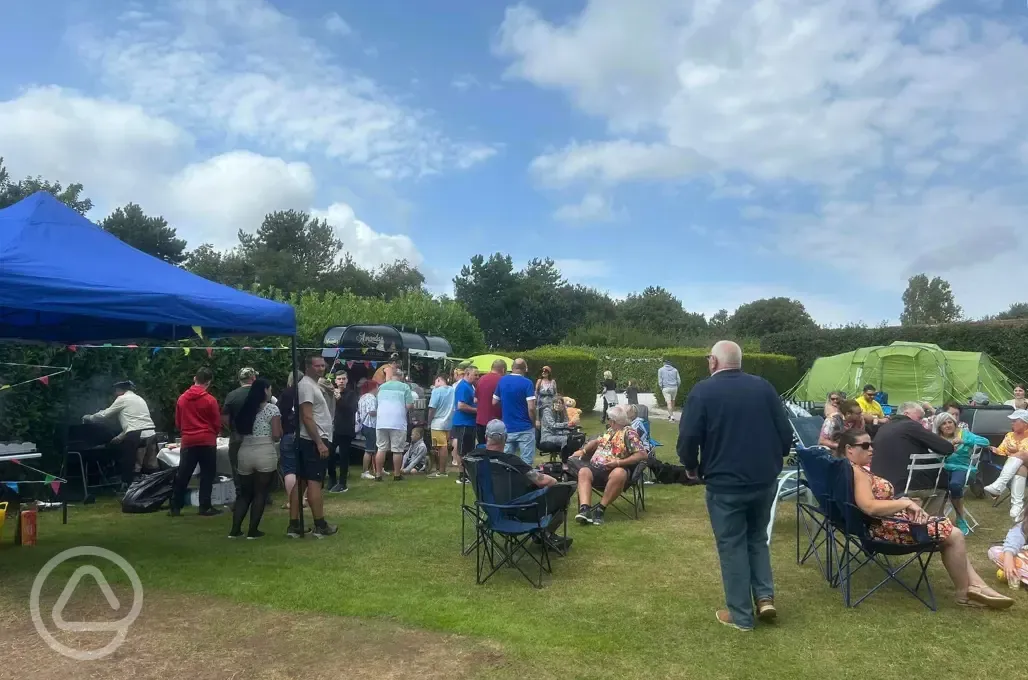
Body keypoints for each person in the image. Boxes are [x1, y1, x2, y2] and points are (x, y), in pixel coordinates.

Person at [678, 341, 792, 630]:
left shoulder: (702, 391)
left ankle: (741, 616)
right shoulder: (764, 387)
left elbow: (688, 438)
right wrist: (773, 460)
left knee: (732, 546)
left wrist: (691, 467)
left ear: (714, 362)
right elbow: (784, 433)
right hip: (763, 479)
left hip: (725, 484)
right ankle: (765, 598)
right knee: (756, 539)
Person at [836, 428, 1013, 609]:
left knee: (949, 534)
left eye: (871, 445)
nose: (871, 449)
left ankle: (976, 586)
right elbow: (869, 506)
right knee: (953, 535)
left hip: (890, 525)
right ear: (849, 449)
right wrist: (904, 504)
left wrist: (903, 502)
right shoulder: (856, 472)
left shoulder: (855, 469)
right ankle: (966, 592)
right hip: (886, 531)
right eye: (865, 446)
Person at [471, 420, 571, 551]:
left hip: (488, 507)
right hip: (518, 511)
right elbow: (543, 481)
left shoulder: (472, 457)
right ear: (505, 438)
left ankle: (543, 535)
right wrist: (555, 481)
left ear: (486, 436)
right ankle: (544, 534)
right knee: (563, 491)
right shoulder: (512, 461)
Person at [570, 405, 647, 527]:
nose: (608, 421)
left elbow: (642, 455)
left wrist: (618, 463)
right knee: (583, 471)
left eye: (609, 419)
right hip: (596, 468)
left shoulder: (629, 433)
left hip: (615, 470)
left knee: (619, 473)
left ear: (613, 421)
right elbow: (596, 442)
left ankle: (600, 509)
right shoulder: (610, 431)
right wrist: (583, 451)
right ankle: (585, 510)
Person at [869, 402, 954, 507]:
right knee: (943, 482)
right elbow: (947, 448)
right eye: (919, 417)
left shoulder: (883, 428)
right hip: (906, 485)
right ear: (906, 414)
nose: (921, 421)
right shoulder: (910, 425)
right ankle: (930, 520)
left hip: (881, 484)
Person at [291, 355, 337, 538]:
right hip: (312, 440)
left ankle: (294, 524)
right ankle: (320, 524)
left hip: (310, 439)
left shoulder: (312, 385)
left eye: (322, 366)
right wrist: (319, 442)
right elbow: (307, 416)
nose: (321, 369)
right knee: (314, 481)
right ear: (308, 366)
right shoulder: (307, 386)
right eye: (317, 366)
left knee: (301, 482)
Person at [230, 378, 281, 539]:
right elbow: (276, 434)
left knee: (244, 494)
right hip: (264, 451)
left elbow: (238, 433)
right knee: (260, 493)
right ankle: (253, 530)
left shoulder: (245, 410)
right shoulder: (271, 409)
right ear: (265, 390)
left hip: (245, 451)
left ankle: (235, 530)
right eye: (270, 389)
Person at [83, 380, 156, 492]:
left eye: (116, 391)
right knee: (150, 465)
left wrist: (90, 417)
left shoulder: (122, 399)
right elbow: (135, 422)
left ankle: (129, 489)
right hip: (151, 433)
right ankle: (152, 488)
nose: (115, 394)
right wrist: (119, 437)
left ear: (120, 390)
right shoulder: (139, 399)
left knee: (130, 463)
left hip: (137, 434)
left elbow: (105, 414)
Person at [170, 368, 222, 517]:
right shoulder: (210, 400)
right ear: (209, 382)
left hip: (188, 440)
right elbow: (216, 422)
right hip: (207, 439)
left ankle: (175, 506)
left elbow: (178, 422)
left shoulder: (182, 399)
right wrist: (212, 432)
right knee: (207, 474)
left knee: (183, 474)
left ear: (195, 379)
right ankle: (205, 506)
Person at [933, 412, 991, 534]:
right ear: (939, 427)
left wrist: (965, 441)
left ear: (955, 424)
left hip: (961, 468)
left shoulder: (964, 434)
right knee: (936, 487)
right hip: (941, 467)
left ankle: (961, 518)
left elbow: (985, 442)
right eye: (944, 423)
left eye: (950, 422)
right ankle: (938, 519)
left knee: (955, 485)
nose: (948, 425)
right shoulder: (936, 438)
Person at [984, 410, 1028, 520]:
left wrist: (1016, 450)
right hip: (1018, 467)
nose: (1011, 423)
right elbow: (1001, 451)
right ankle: (1017, 505)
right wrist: (992, 448)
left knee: (1022, 454)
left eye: (1014, 421)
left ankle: (999, 485)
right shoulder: (1009, 436)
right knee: (1020, 468)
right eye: (1011, 421)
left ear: (1025, 423)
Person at [494, 358, 537, 466]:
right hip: (525, 427)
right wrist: (534, 422)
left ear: (512, 368)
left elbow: (494, 402)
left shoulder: (502, 380)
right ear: (525, 369)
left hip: (508, 426)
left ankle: (506, 481)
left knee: (506, 461)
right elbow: (531, 408)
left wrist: (505, 407)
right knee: (526, 463)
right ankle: (524, 482)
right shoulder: (527, 383)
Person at [375, 369, 415, 481]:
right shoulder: (405, 387)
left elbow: (377, 403)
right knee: (397, 449)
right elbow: (409, 406)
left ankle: (378, 474)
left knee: (381, 448)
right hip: (397, 421)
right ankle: (397, 475)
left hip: (381, 421)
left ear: (391, 376)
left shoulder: (381, 387)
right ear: (401, 377)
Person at [223, 367, 258, 495]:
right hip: (258, 435)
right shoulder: (261, 394)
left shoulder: (232, 395)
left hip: (237, 436)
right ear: (253, 378)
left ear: (240, 380)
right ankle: (261, 495)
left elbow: (225, 418)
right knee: (258, 466)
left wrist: (232, 429)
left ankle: (241, 493)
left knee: (237, 466)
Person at [328, 372, 358, 493]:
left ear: (347, 380)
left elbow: (350, 409)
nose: (341, 381)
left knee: (344, 456)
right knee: (329, 454)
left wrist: (339, 398)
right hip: (332, 428)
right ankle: (332, 478)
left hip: (345, 429)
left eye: (343, 379)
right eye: (339, 379)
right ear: (335, 381)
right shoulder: (331, 393)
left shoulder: (351, 394)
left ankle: (342, 482)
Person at [278, 370, 303, 512]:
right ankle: (303, 498)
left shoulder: (286, 393)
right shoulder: (306, 392)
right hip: (304, 433)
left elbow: (279, 413)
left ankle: (292, 501)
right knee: (303, 468)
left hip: (288, 433)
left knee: (289, 469)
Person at [453, 366, 480, 484]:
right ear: (468, 374)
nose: (477, 377)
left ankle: (468, 474)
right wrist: (477, 410)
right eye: (476, 375)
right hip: (463, 422)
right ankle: (462, 475)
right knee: (462, 450)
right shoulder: (463, 386)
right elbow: (461, 406)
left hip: (469, 423)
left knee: (469, 449)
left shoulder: (470, 386)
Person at [989, 514, 1028, 589]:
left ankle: (1020, 574)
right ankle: (1017, 572)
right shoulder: (1024, 526)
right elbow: (1015, 537)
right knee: (995, 551)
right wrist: (1009, 556)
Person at [427, 375, 455, 478]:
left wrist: (429, 421)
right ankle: (441, 469)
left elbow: (432, 408)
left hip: (437, 423)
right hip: (448, 422)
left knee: (440, 446)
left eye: (435, 382)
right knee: (442, 446)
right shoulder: (452, 390)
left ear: (438, 380)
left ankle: (441, 471)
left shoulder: (436, 391)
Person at [475, 359, 505, 444]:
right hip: (495, 422)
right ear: (503, 369)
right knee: (495, 450)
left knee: (482, 448)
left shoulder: (481, 379)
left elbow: (476, 399)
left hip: (480, 420)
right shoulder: (502, 380)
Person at [357, 381, 379, 480]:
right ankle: (365, 471)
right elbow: (372, 412)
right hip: (370, 425)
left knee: (373, 449)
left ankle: (377, 469)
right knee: (369, 450)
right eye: (377, 387)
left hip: (364, 425)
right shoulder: (371, 397)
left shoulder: (362, 397)